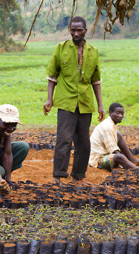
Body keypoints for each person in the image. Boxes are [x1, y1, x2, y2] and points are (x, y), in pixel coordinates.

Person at [43, 16, 105, 184]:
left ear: (86, 31)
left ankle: (78, 176)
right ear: (70, 30)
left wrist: (100, 105)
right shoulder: (60, 49)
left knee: (84, 142)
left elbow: (96, 81)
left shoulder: (93, 52)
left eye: (79, 30)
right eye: (73, 30)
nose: (76, 33)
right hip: (65, 102)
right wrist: (49, 100)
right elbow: (52, 77)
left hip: (85, 103)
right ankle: (58, 175)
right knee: (63, 139)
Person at [89, 102, 139, 171]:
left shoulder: (110, 124)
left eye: (122, 113)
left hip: (105, 154)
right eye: (117, 113)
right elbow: (114, 151)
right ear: (110, 113)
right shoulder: (107, 127)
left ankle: (133, 160)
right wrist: (124, 161)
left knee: (118, 134)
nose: (120, 116)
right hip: (98, 159)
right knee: (119, 157)